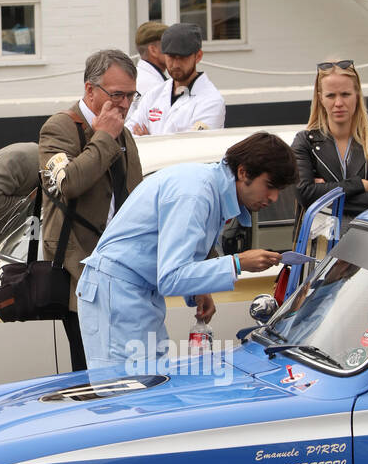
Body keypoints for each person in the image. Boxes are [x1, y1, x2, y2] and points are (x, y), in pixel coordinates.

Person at [76, 132, 296, 367]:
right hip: (119, 293)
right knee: (124, 393)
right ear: (243, 172)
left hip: (131, 293)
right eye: (270, 186)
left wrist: (199, 289)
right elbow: (170, 277)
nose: (273, 198)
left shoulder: (207, 188)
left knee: (148, 386)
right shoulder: (196, 193)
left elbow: (177, 263)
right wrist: (237, 263)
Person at [39, 50, 143, 371]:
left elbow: (136, 200)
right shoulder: (59, 128)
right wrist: (104, 137)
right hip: (79, 278)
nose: (125, 104)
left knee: (123, 376)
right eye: (117, 95)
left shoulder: (122, 134)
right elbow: (68, 183)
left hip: (120, 278)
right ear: (89, 90)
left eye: (131, 95)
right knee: (90, 378)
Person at [292, 60, 368, 221]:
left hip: (366, 240)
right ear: (320, 98)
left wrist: (323, 194)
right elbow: (305, 194)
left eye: (345, 94)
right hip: (320, 244)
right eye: (331, 95)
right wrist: (360, 185)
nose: (338, 103)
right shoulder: (305, 142)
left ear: (357, 95)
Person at [127, 22, 225, 135]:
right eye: (171, 57)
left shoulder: (211, 101)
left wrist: (148, 139)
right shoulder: (154, 94)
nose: (176, 64)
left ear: (198, 56)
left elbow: (193, 146)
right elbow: (129, 135)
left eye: (183, 57)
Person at [134, 20, 167, 95]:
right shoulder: (154, 86)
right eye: (168, 44)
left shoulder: (137, 75)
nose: (174, 50)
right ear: (153, 50)